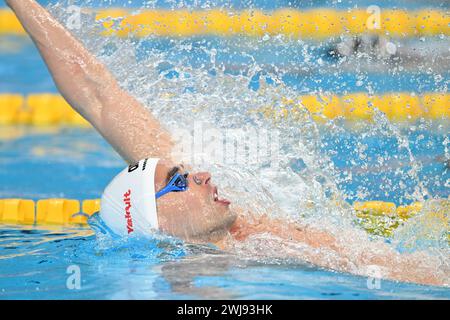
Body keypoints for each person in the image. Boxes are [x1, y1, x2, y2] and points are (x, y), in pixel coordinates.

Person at [6, 0, 448, 287]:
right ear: (154, 222)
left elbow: (97, 93)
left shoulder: (236, 228)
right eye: (179, 181)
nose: (200, 173)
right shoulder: (201, 272)